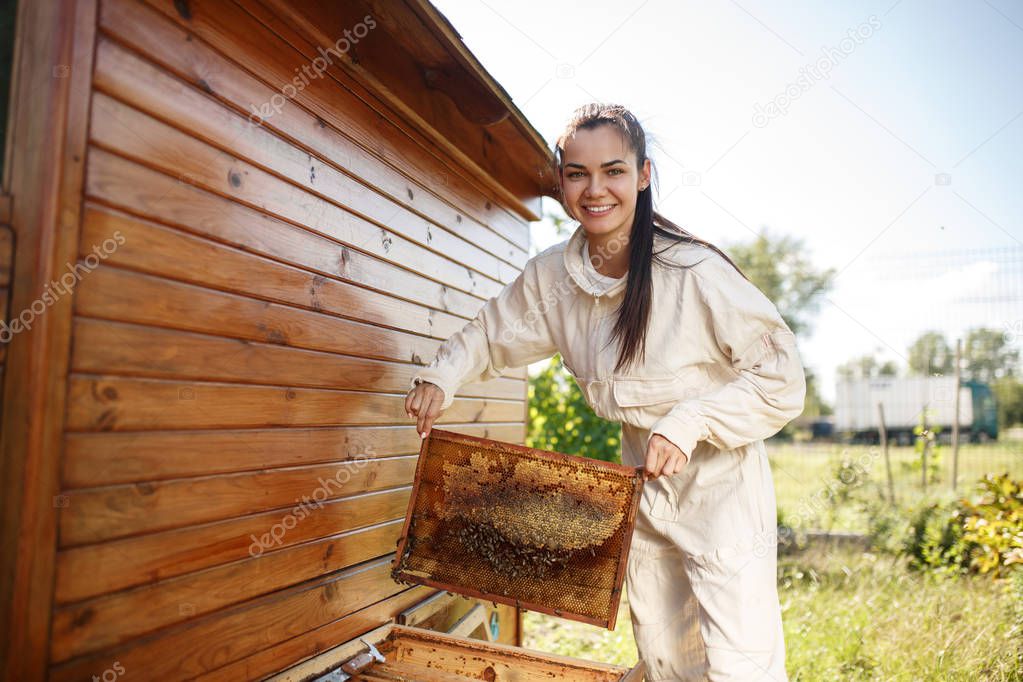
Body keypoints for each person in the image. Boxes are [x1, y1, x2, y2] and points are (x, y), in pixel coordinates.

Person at [405, 102, 806, 681]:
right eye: (577, 174)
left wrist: (692, 421)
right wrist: (441, 376)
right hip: (644, 483)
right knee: (667, 658)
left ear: (643, 176)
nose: (595, 190)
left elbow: (783, 380)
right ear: (562, 180)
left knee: (738, 661)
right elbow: (493, 333)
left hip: (723, 489)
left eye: (613, 171)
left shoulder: (692, 272)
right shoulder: (553, 278)